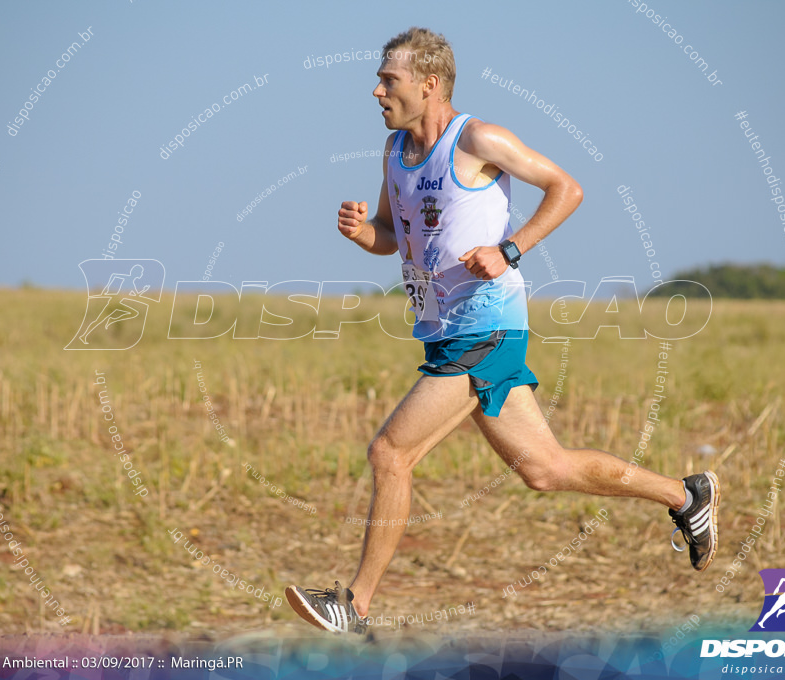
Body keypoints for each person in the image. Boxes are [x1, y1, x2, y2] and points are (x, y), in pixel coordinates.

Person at [285, 27, 719, 635]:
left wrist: (510, 248)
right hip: (443, 329)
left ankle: (354, 606)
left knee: (390, 453)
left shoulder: (480, 139)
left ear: (429, 83)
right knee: (545, 470)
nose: (376, 89)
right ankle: (685, 494)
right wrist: (361, 232)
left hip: (484, 327)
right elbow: (389, 236)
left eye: (389, 79)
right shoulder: (394, 152)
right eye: (380, 78)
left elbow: (567, 189)